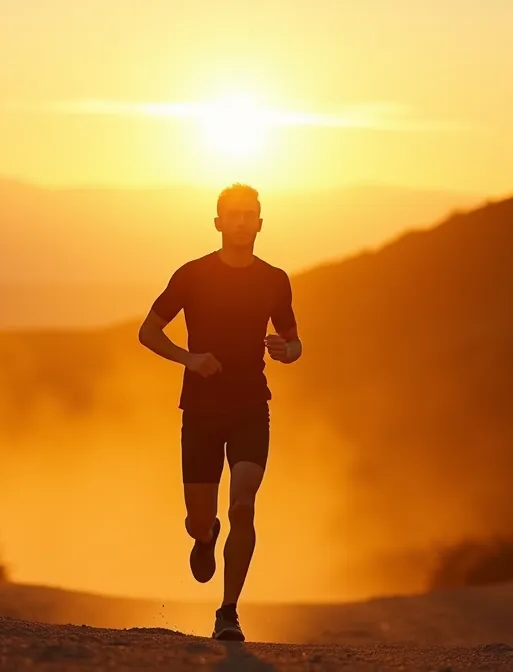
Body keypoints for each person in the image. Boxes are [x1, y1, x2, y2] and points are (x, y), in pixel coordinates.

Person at [137, 182, 301, 641]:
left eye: (250, 214)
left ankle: (228, 612)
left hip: (251, 406)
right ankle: (204, 535)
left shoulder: (275, 279)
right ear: (218, 223)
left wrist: (287, 350)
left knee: (244, 506)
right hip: (201, 412)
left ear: (261, 223)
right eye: (234, 214)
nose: (243, 221)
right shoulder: (192, 275)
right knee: (198, 518)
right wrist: (190, 359)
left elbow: (295, 340)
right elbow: (147, 332)